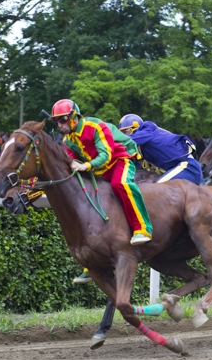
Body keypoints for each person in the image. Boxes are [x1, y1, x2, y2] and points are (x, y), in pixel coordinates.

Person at [73, 113, 201, 284]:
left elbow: (119, 143)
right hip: (173, 169)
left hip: (186, 167)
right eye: (123, 132)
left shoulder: (145, 131)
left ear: (135, 128)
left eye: (127, 131)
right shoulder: (139, 142)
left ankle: (147, 229)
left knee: (158, 193)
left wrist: (95, 138)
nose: (125, 135)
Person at [52, 99, 153, 249]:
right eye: (56, 121)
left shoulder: (95, 126)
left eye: (62, 119)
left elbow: (105, 155)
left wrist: (86, 165)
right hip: (99, 171)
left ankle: (143, 229)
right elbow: (73, 162)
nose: (59, 124)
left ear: (73, 116)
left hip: (119, 161)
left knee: (120, 184)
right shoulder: (67, 140)